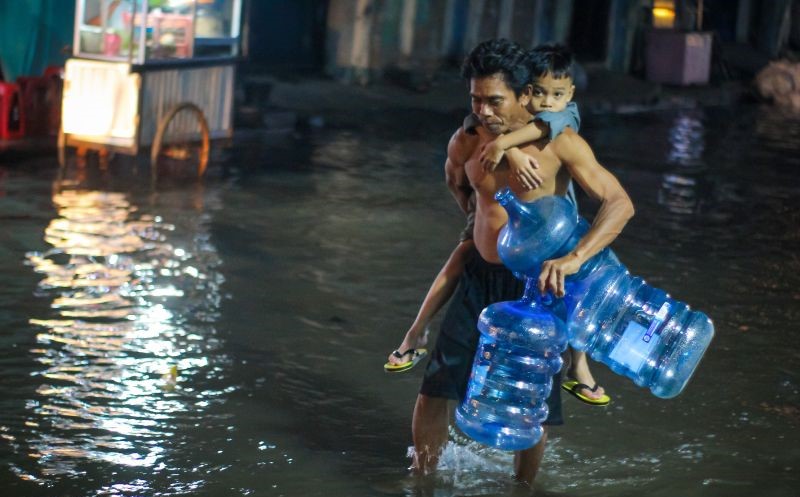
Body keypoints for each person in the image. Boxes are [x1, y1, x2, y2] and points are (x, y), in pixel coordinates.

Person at [408, 39, 634, 486]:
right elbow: (455, 178)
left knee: (534, 404)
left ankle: (524, 490)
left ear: (524, 96)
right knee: (435, 388)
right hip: (478, 278)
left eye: (495, 100)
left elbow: (620, 204)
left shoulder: (561, 145)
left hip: (534, 285)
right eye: (476, 99)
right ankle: (421, 482)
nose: (484, 110)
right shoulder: (468, 139)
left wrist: (574, 258)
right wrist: (472, 220)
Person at [386, 44, 610, 406]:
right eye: (542, 92)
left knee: (575, 286)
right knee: (463, 254)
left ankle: (579, 366)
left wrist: (510, 146)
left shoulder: (562, 125)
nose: (547, 101)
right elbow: (458, 168)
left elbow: (614, 201)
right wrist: (473, 213)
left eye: (557, 94)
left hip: (550, 236)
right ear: (530, 91)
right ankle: (415, 333)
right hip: (487, 259)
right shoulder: (477, 129)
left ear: (569, 95)